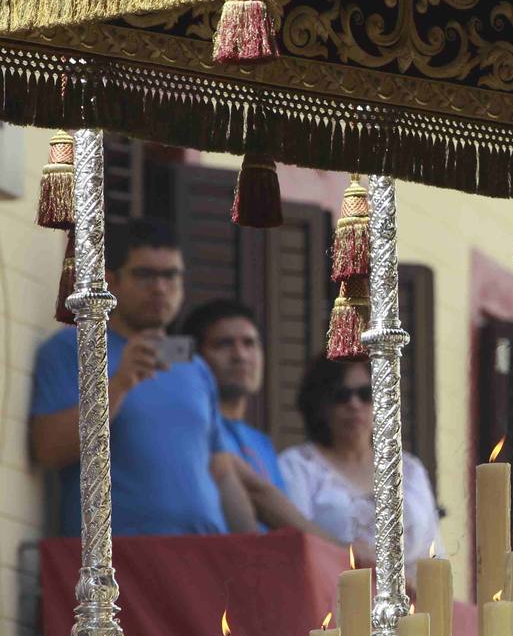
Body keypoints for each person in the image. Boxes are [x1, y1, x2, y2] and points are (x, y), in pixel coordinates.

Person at [29, 219, 316, 538]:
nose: (160, 287)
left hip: (200, 557)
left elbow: (220, 470)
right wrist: (120, 384)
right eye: (145, 275)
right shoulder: (73, 348)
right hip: (120, 558)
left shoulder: (192, 365)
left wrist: (250, 551)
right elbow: (47, 450)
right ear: (111, 281)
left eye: (171, 275)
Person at [279, 354, 438, 573]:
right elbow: (295, 543)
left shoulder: (410, 470)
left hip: (411, 602)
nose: (354, 405)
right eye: (341, 396)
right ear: (320, 404)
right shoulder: (298, 466)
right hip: (331, 600)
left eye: (366, 394)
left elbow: (435, 551)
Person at [182, 299, 286, 492]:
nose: (240, 355)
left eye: (249, 343)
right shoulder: (188, 430)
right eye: (224, 344)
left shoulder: (262, 443)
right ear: (195, 357)